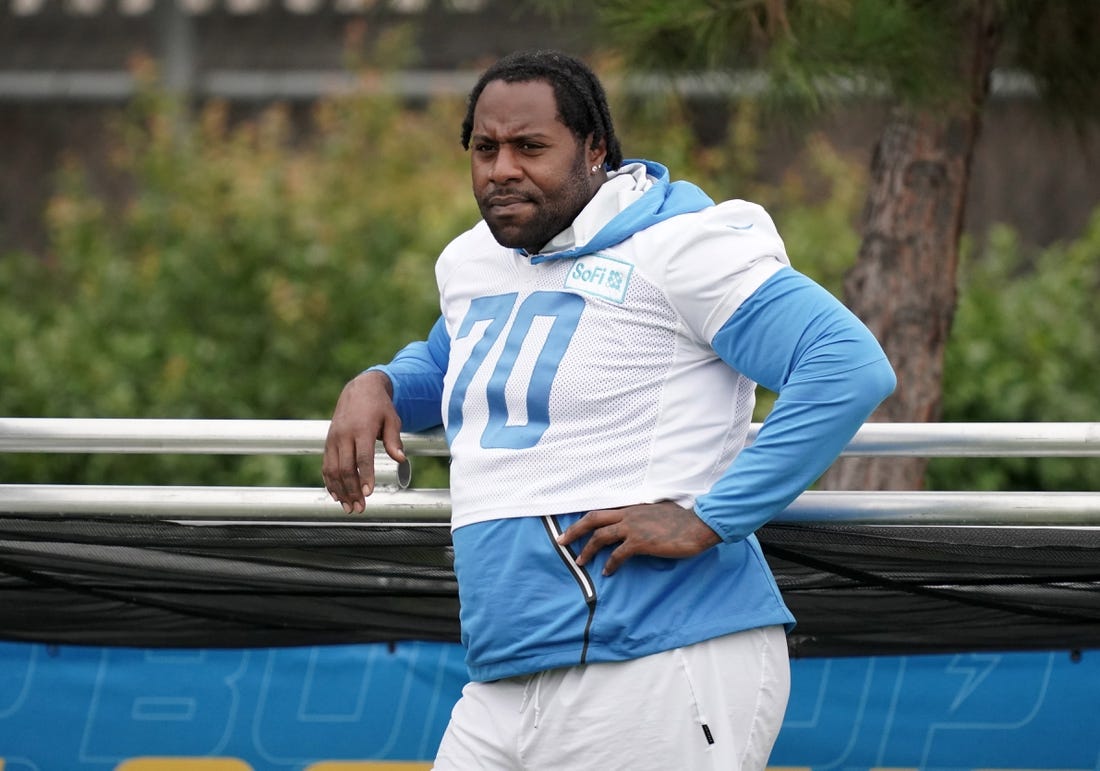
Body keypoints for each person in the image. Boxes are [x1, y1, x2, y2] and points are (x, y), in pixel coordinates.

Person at [322, 49, 895, 770]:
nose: (501, 169)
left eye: (530, 146)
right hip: (507, 671)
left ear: (596, 150)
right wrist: (376, 383)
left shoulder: (681, 244)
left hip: (662, 656)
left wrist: (710, 516)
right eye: (484, 148)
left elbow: (844, 364)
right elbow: (450, 363)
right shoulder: (475, 260)